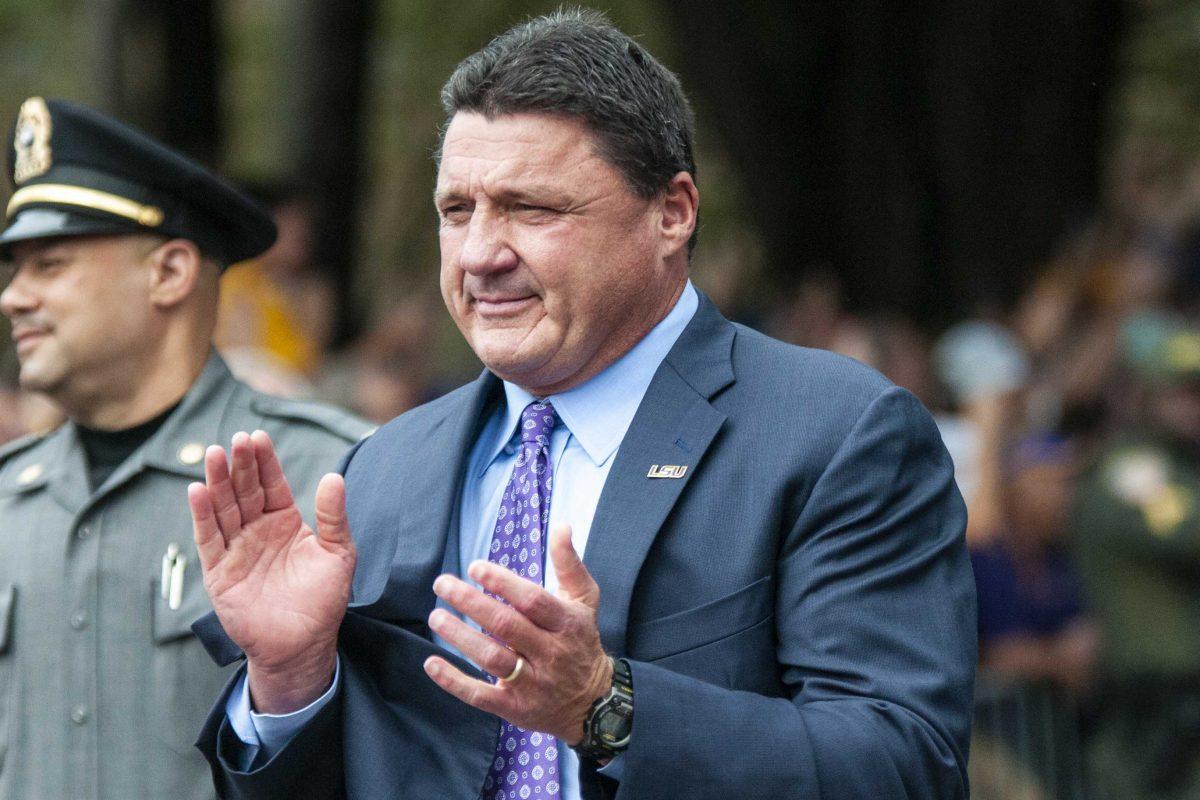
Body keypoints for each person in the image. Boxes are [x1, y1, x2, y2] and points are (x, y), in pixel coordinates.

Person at [188, 10, 976, 799]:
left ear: (672, 213)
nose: (481, 254)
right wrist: (290, 681)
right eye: (457, 211)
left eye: (533, 209)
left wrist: (606, 707)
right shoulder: (383, 467)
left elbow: (905, 767)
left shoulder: (834, 433)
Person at [0, 97, 370, 799]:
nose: (13, 297)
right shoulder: (7, 498)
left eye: (48, 264)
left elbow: (407, 757)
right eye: (14, 269)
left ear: (169, 272)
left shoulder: (330, 479)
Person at [1071, 311, 1200, 800]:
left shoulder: (1180, 467)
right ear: (1146, 395)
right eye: (1184, 392)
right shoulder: (1135, 470)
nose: (1196, 406)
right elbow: (1189, 530)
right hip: (1154, 706)